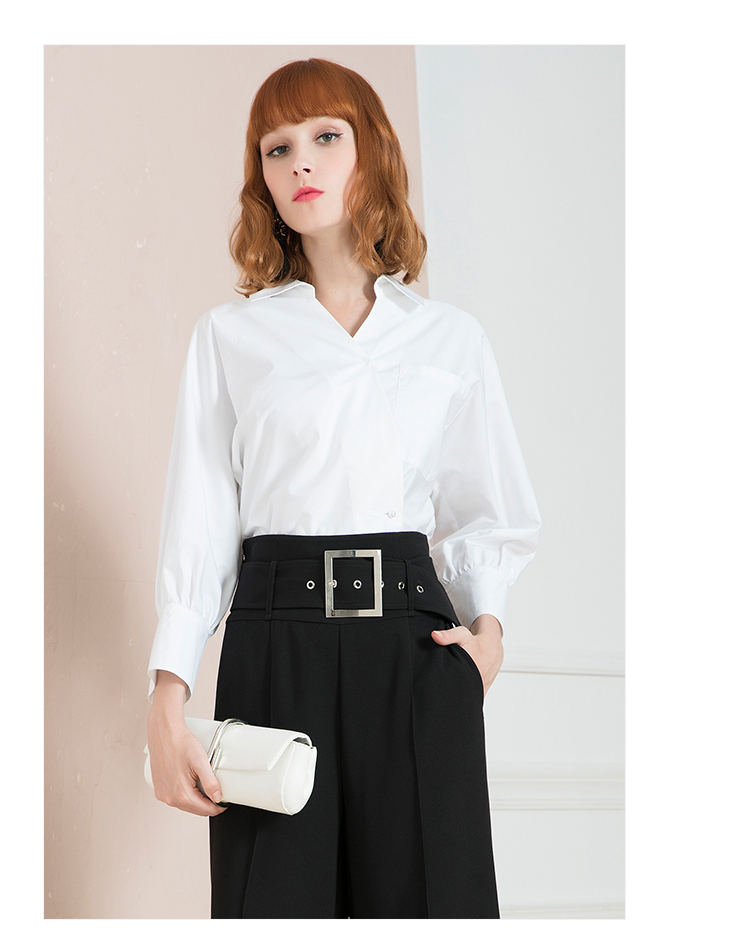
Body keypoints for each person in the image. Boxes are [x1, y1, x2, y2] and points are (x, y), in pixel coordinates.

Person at [145, 57, 541, 919]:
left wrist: (489, 637)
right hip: (274, 648)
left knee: (434, 911)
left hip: (415, 651)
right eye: (278, 148)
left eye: (327, 136)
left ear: (373, 153)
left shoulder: (449, 340)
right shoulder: (231, 337)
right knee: (272, 910)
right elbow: (200, 528)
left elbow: (486, 510)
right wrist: (167, 699)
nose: (301, 163)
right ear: (262, 177)